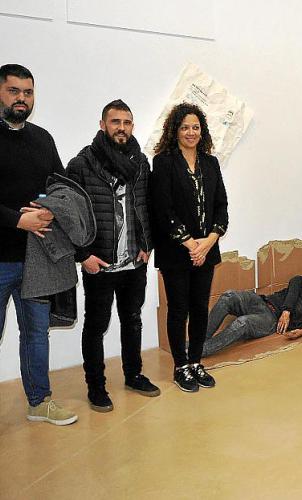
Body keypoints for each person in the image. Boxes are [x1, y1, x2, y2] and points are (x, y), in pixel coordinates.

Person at [66, 99, 160, 413]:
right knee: (96, 326)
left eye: (127, 122)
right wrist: (83, 256)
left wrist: (147, 243)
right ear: (102, 125)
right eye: (115, 121)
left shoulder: (140, 162)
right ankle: (96, 387)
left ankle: (134, 375)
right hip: (100, 263)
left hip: (134, 260)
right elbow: (69, 214)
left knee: (132, 320)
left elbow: (147, 205)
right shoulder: (82, 163)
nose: (122, 128)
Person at [0, 64, 76, 425]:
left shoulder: (43, 138)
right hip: (0, 260)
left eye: (28, 92)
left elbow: (60, 186)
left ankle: (39, 402)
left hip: (36, 260)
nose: (22, 99)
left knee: (35, 334)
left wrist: (51, 209)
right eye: (14, 91)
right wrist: (18, 220)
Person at [150, 102, 229, 393]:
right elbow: (162, 209)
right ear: (175, 130)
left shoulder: (211, 163)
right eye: (185, 127)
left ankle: (196, 362)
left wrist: (208, 242)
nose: (191, 132)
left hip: (206, 251)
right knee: (178, 309)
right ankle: (180, 366)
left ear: (202, 131)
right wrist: (190, 244)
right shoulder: (163, 162)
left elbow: (221, 207)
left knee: (199, 309)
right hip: (175, 252)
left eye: (196, 127)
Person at [203, 276, 302, 356]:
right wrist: (287, 310)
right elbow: (295, 281)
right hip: (262, 301)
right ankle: (201, 339)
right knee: (228, 296)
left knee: (242, 323)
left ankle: (201, 351)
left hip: (270, 320)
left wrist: (301, 331)